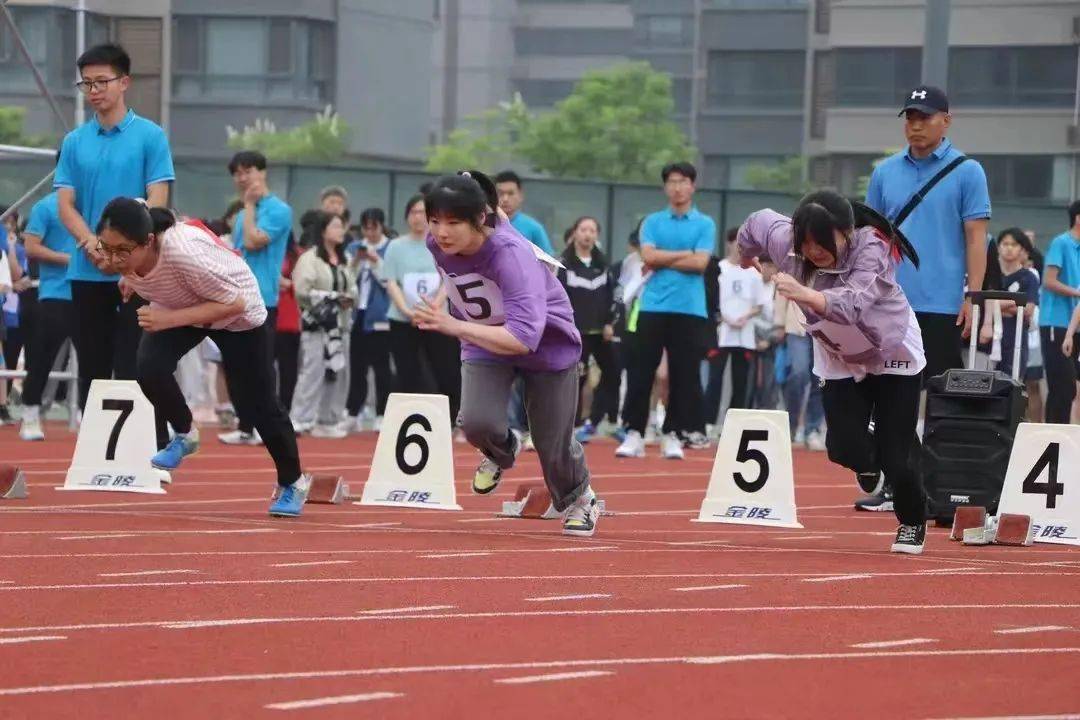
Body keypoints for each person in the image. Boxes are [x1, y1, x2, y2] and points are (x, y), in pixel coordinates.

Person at [738, 190, 929, 554]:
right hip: (838, 351)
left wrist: (803, 293)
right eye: (805, 243)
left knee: (897, 457)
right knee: (842, 448)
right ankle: (871, 450)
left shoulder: (873, 248)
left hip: (889, 347)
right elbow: (758, 222)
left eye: (823, 242)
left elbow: (853, 304)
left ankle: (912, 520)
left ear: (847, 232)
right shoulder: (788, 244)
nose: (814, 251)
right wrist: (746, 255)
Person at [413, 172, 600, 536]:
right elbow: (454, 277)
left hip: (544, 343)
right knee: (476, 422)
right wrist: (441, 303)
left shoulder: (511, 257)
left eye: (453, 222)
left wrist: (454, 326)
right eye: (435, 221)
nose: (441, 231)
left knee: (550, 443)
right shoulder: (438, 243)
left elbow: (522, 339)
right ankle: (503, 448)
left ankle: (580, 499)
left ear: (480, 219)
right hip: (484, 339)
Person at [95, 198, 310, 516]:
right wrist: (130, 273)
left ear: (149, 241)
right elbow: (138, 209)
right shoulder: (130, 241)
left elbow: (234, 304)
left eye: (122, 251)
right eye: (106, 248)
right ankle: (184, 433)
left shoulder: (184, 253)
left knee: (256, 405)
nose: (113, 259)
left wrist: (166, 319)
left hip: (237, 314)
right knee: (149, 367)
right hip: (183, 303)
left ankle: (293, 482)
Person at [862, 84, 990, 508]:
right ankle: (896, 483)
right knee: (888, 396)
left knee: (940, 396)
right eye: (910, 117)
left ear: (946, 120)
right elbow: (871, 237)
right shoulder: (884, 172)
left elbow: (976, 238)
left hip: (941, 304)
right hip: (890, 302)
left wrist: (973, 295)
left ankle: (942, 483)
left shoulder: (967, 171)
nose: (915, 125)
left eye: (925, 116)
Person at [54, 43, 175, 414]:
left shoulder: (150, 136)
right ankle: (98, 461)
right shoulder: (74, 142)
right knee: (92, 368)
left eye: (102, 82)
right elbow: (65, 205)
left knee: (134, 364)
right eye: (87, 84)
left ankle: (144, 455)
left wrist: (129, 262)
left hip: (137, 275)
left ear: (124, 82)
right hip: (87, 270)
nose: (94, 91)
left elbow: (157, 200)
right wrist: (90, 242)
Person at [615, 162, 715, 460]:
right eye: (672, 182)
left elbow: (701, 264)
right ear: (665, 187)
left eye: (683, 181)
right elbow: (647, 256)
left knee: (683, 375)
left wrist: (663, 258)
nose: (677, 187)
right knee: (641, 370)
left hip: (690, 309)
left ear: (692, 186)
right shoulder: (653, 222)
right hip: (654, 306)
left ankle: (672, 433)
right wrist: (685, 254)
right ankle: (634, 432)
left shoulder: (705, 224)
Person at [218, 151, 293, 446]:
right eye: (237, 173)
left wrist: (248, 206)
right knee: (234, 364)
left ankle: (267, 425)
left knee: (261, 365)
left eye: (248, 171)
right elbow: (239, 251)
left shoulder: (278, 210)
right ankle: (245, 424)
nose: (242, 177)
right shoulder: (241, 215)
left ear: (262, 173)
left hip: (262, 299)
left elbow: (252, 241)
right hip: (234, 296)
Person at [383, 195, 462, 422]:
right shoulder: (396, 247)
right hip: (402, 319)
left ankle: (454, 418)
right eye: (413, 212)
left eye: (422, 213)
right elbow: (391, 282)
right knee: (406, 370)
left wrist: (435, 307)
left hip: (437, 317)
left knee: (446, 369)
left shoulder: (442, 244)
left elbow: (449, 278)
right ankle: (406, 419)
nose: (418, 218)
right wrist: (407, 311)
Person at [19, 177, 77, 441]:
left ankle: (87, 412)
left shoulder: (92, 205)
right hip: (56, 294)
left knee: (95, 358)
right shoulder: (45, 207)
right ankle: (30, 414)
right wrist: (68, 259)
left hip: (90, 293)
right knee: (42, 358)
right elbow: (30, 247)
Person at [290, 212, 356, 437]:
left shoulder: (345, 258)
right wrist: (331, 296)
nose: (341, 231)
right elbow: (301, 291)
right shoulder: (310, 258)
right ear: (323, 230)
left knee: (338, 371)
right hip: (317, 325)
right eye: (336, 226)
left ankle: (329, 419)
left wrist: (347, 298)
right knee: (313, 370)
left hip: (340, 326)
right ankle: (301, 418)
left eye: (341, 226)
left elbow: (354, 289)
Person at [557, 216, 619, 443]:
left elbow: (615, 295)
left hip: (601, 333)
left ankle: (595, 421)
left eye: (592, 230)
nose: (587, 234)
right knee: (576, 380)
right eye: (583, 229)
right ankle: (569, 427)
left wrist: (611, 322)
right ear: (575, 232)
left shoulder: (604, 265)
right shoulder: (563, 264)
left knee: (612, 375)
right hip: (575, 332)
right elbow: (558, 297)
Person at [704, 228, 765, 428]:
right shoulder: (718, 269)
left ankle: (733, 426)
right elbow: (711, 300)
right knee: (715, 378)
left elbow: (759, 304)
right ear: (729, 243)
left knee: (741, 381)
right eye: (737, 242)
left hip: (744, 334)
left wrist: (745, 316)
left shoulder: (754, 272)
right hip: (721, 332)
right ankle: (709, 422)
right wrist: (725, 317)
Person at [345, 208, 394, 432]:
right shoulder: (354, 248)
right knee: (357, 366)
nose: (370, 232)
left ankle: (382, 412)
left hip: (380, 315)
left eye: (374, 227)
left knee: (382, 367)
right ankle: (353, 411)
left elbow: (389, 281)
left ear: (382, 226)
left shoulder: (391, 248)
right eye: (366, 227)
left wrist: (375, 261)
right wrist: (356, 261)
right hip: (358, 313)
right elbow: (345, 278)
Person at [1038, 200, 1080, 424]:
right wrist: (1076, 292)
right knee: (1062, 385)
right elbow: (1049, 281)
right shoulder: (1061, 243)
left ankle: (1060, 435)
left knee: (1069, 389)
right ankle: (1054, 435)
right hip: (1056, 322)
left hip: (1075, 324)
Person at [994, 228, 1039, 380]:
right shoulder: (989, 275)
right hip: (988, 341)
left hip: (1016, 341)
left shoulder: (1029, 277)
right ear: (998, 247)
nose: (1009, 248)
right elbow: (980, 304)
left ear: (1021, 249)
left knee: (1012, 388)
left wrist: (995, 303)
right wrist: (1015, 304)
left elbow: (1028, 310)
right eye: (1005, 243)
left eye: (1013, 244)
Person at [495, 171, 554, 255]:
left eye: (510, 193)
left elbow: (549, 262)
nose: (505, 199)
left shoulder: (534, 228)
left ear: (520, 196)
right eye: (500, 193)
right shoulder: (485, 225)